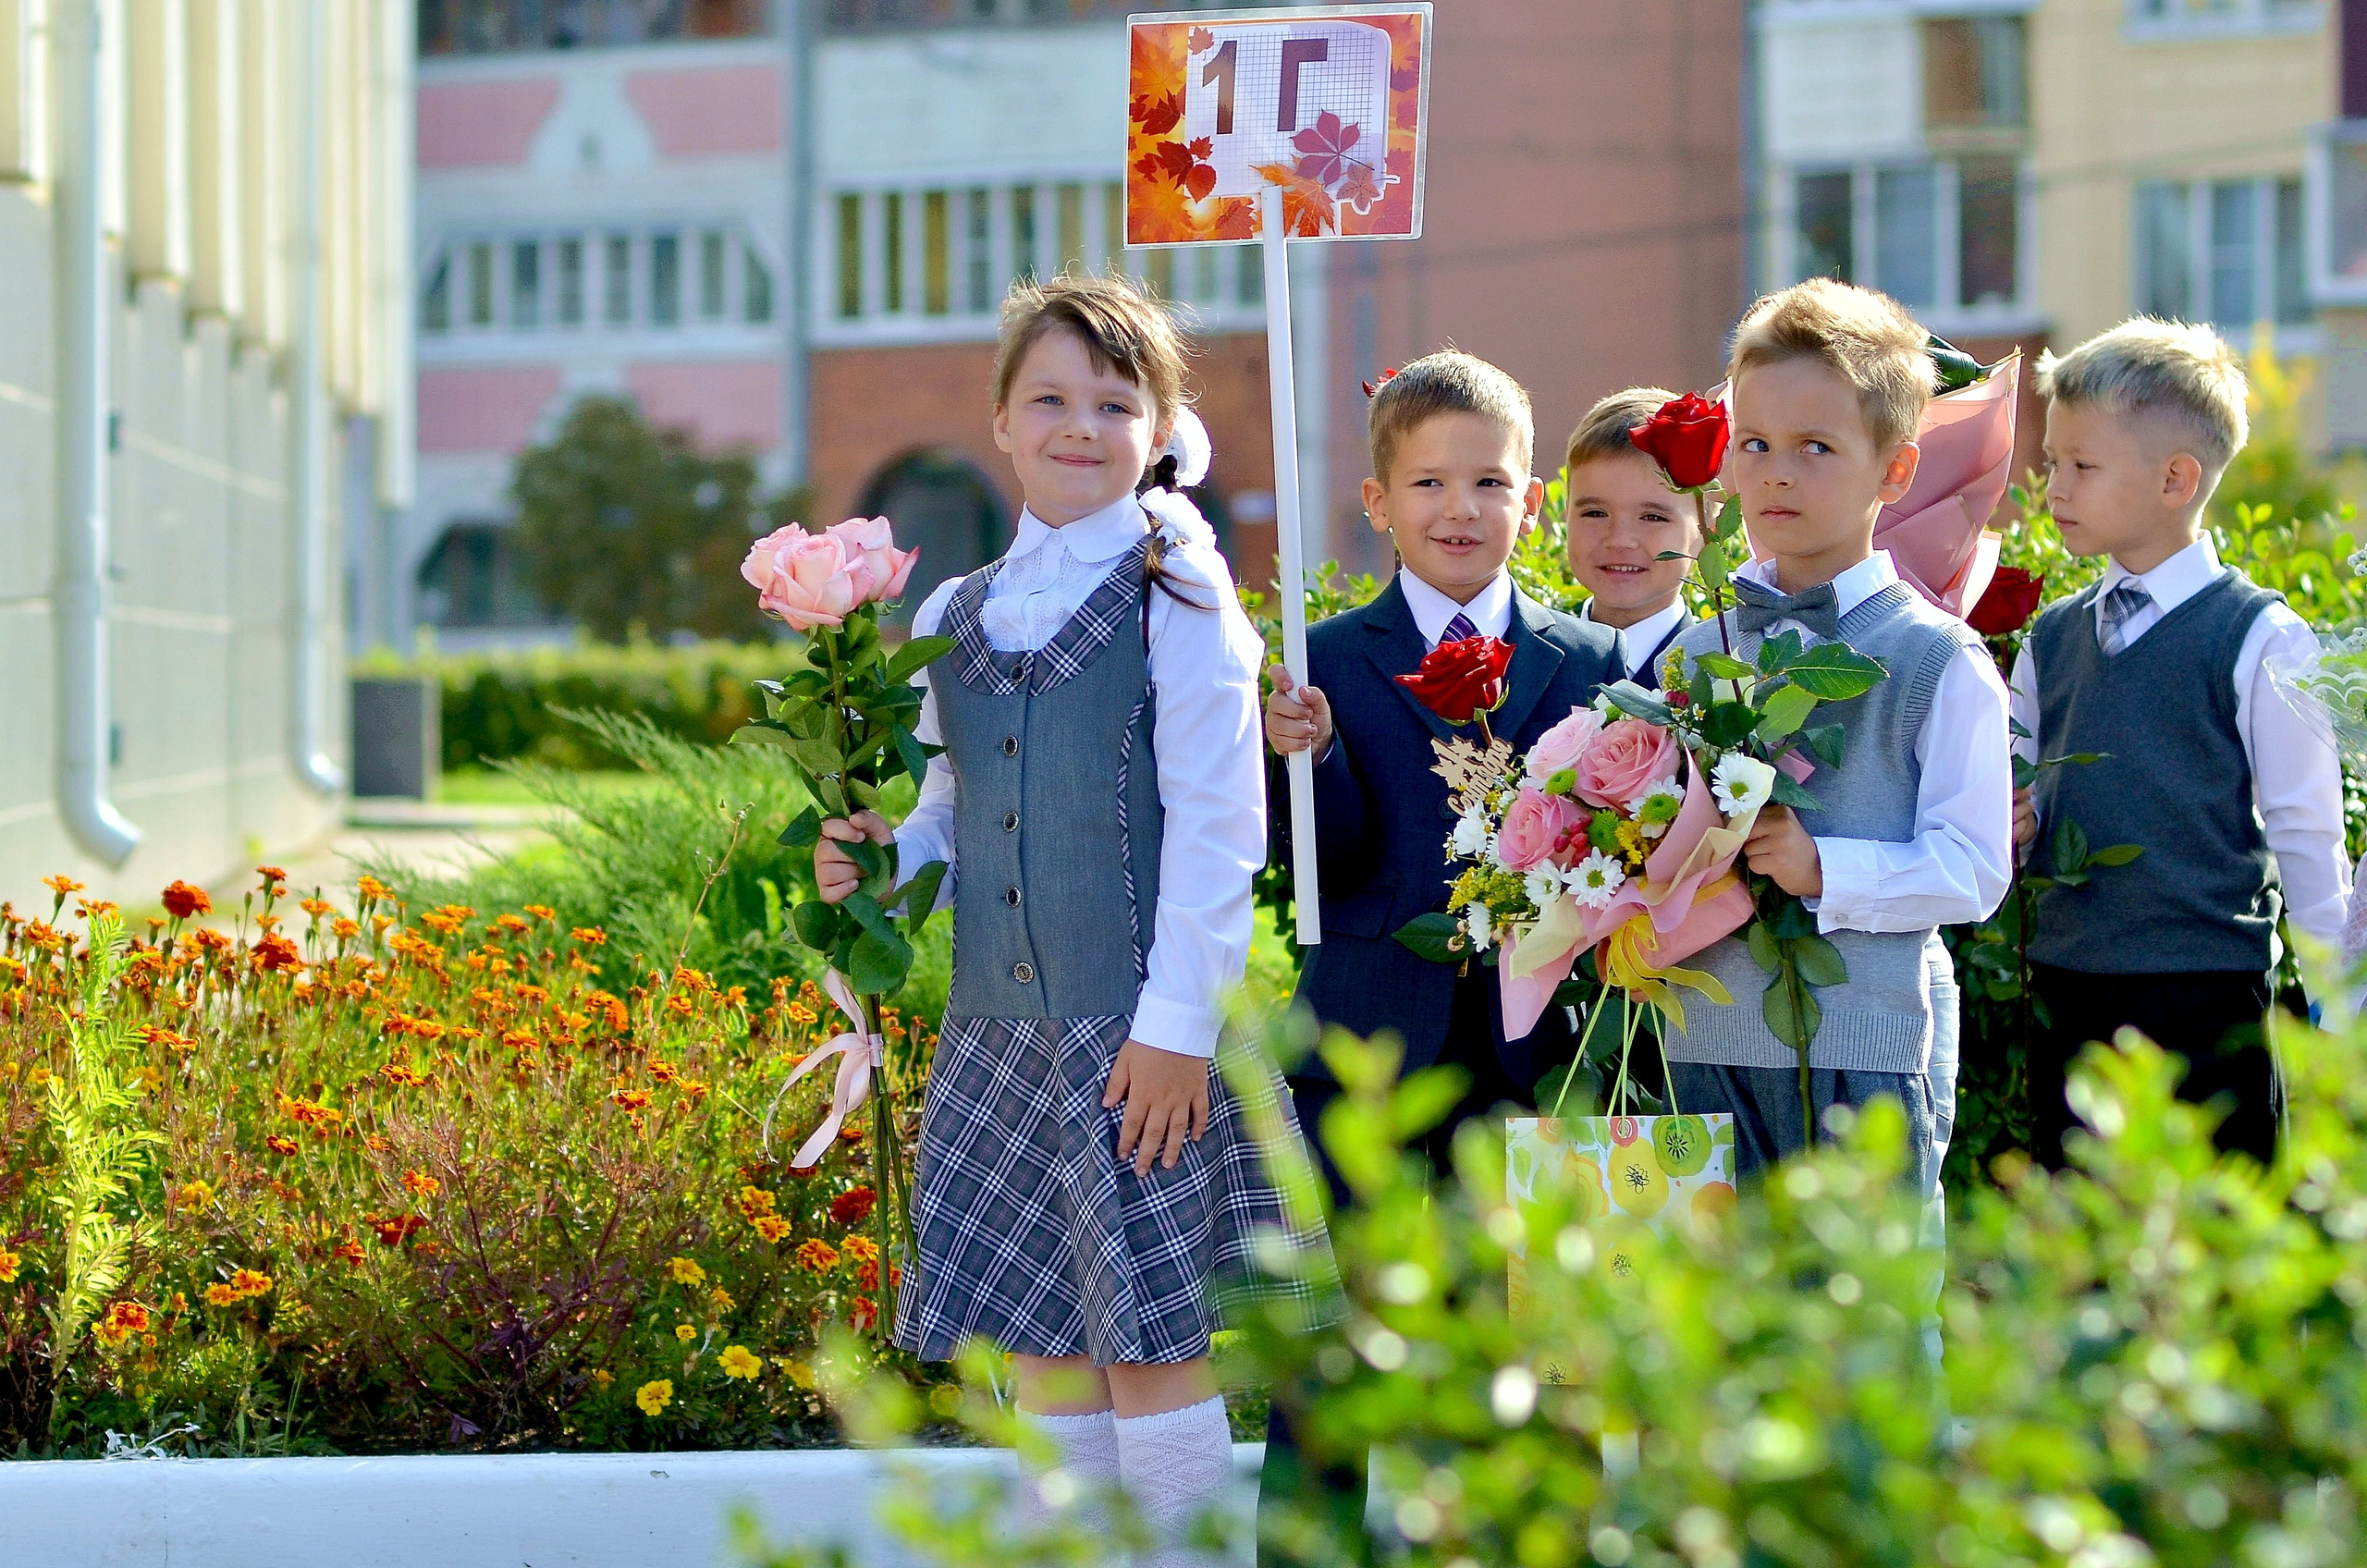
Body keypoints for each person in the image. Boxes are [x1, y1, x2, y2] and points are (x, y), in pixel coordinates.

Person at [814, 273, 1333, 1568]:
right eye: (1048, 398)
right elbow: (948, 805)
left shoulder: (1183, 597)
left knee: (1154, 1355)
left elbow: (1221, 832)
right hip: (1002, 1036)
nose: (1078, 426)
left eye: (1114, 402)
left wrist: (1174, 1036)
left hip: (1141, 1033)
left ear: (1159, 429)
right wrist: (878, 866)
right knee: (1047, 1366)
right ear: (1000, 420)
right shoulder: (952, 614)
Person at [1258, 350, 1619, 1562]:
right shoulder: (1326, 661)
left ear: (1532, 498)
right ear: (1379, 504)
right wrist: (1306, 757)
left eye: (1489, 482)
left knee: (1524, 1343)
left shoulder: (1591, 662)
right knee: (1338, 1342)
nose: (1459, 509)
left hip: (1533, 1053)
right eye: (1428, 484)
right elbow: (1328, 860)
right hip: (1365, 1033)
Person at [1660, 277, 2015, 1193]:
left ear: (1893, 471)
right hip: (1700, 1047)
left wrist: (1827, 870)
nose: (1778, 472)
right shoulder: (1698, 654)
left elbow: (1974, 869)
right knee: (1716, 1326)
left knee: (1872, 1321)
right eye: (1757, 444)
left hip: (1867, 1050)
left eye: (1817, 447)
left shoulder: (1935, 658)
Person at [2013, 318, 2349, 1165]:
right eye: (2055, 462)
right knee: (2078, 1266)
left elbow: (2306, 834)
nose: (2055, 487)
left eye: (2082, 467)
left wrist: (2339, 1015)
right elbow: (2008, 812)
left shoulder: (2260, 637)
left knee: (2209, 1269)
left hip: (2207, 1004)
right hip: (2066, 997)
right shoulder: (2046, 641)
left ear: (2175, 478)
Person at [1563, 386, 1703, 689]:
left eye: (1653, 517)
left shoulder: (1725, 681)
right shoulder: (1528, 665)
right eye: (1596, 513)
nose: (1620, 540)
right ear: (1567, 513)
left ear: (1707, 527)